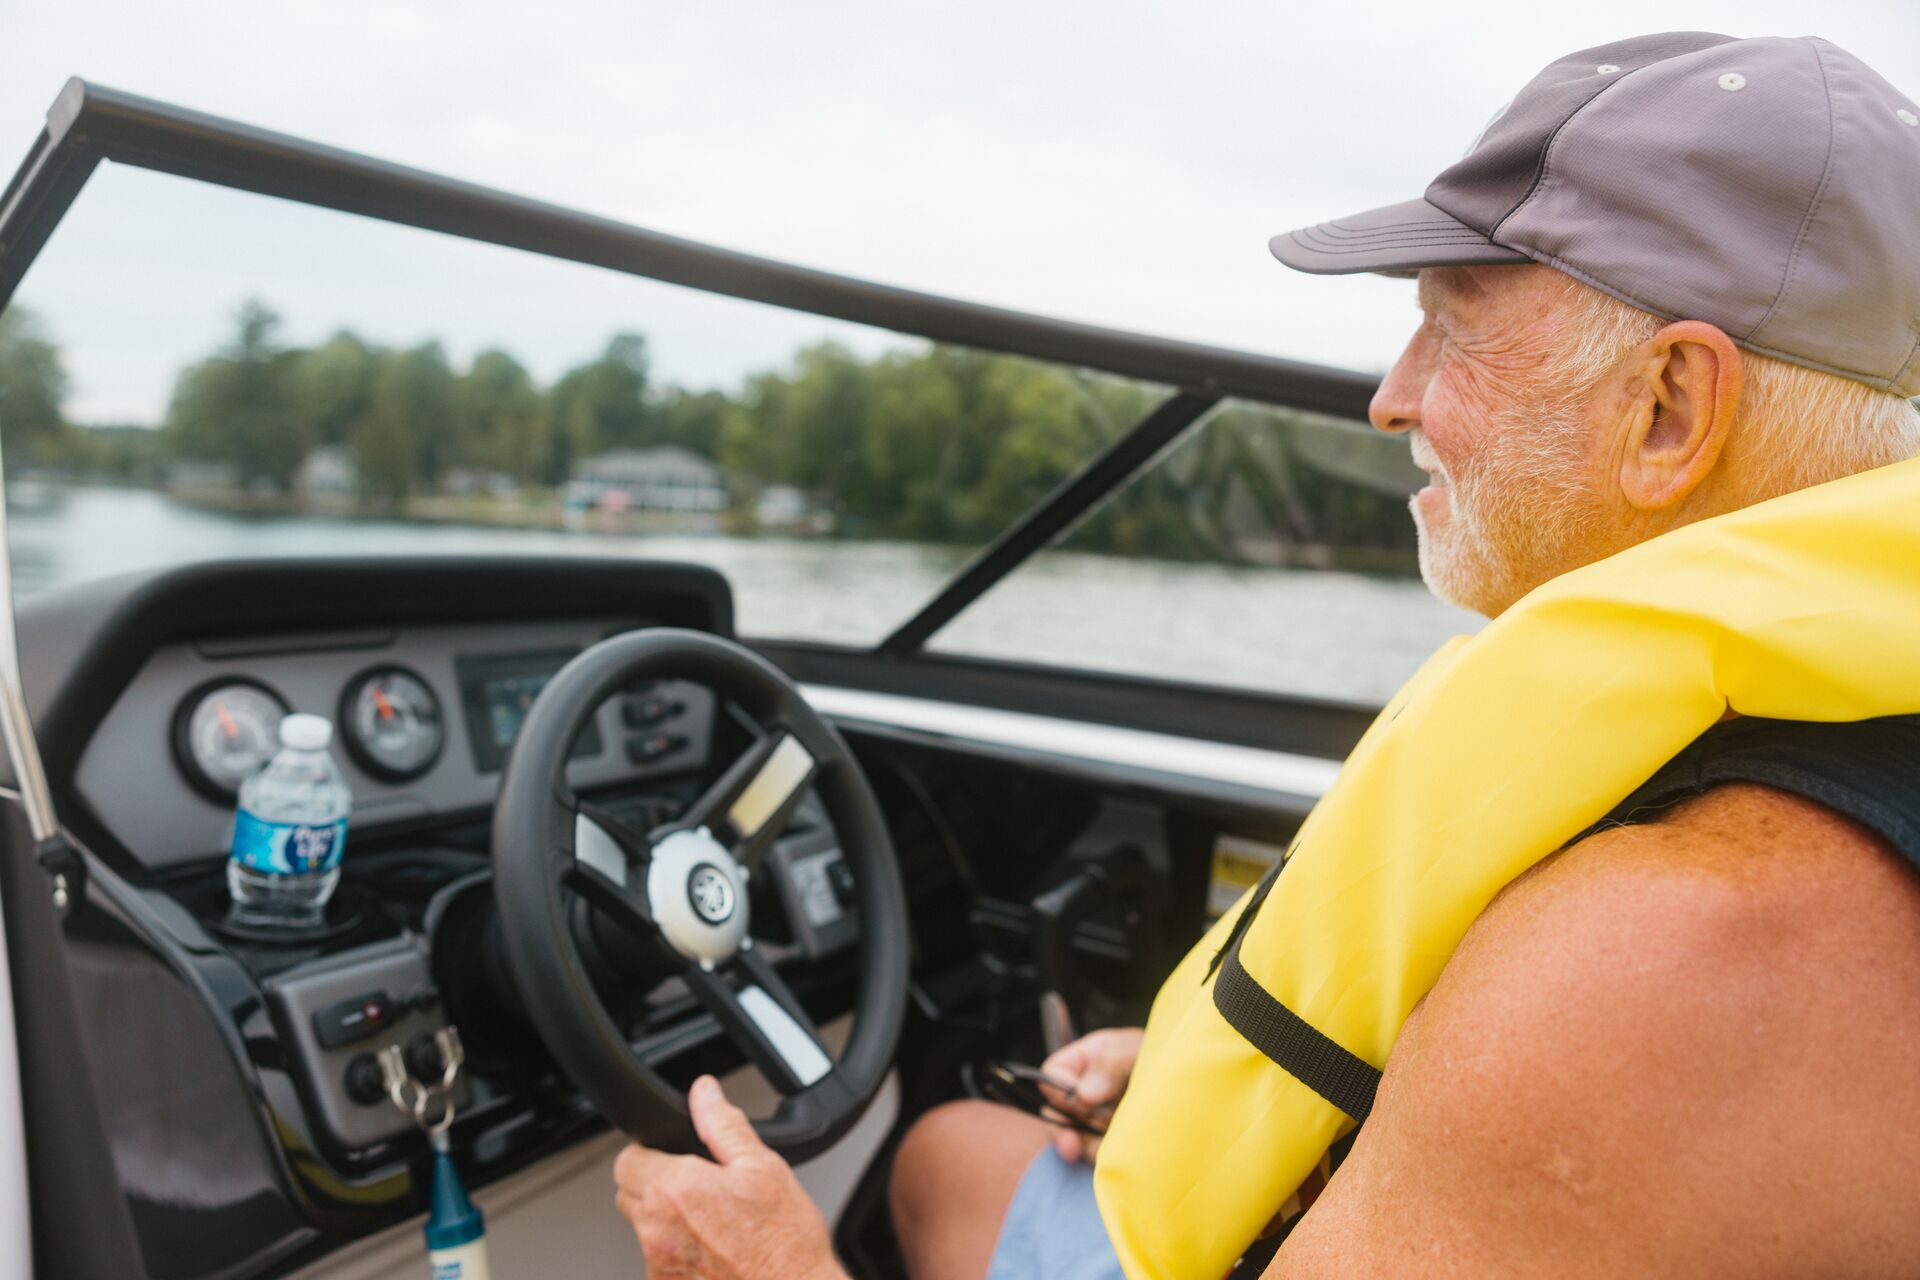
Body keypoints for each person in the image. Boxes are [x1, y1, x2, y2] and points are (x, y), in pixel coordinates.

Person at [615, 31, 1920, 1278]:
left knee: (931, 1163)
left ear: (1670, 407)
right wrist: (1206, 1069)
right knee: (956, 1153)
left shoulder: (1667, 950)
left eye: (1451, 330)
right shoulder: (1819, 723)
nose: (1390, 396)